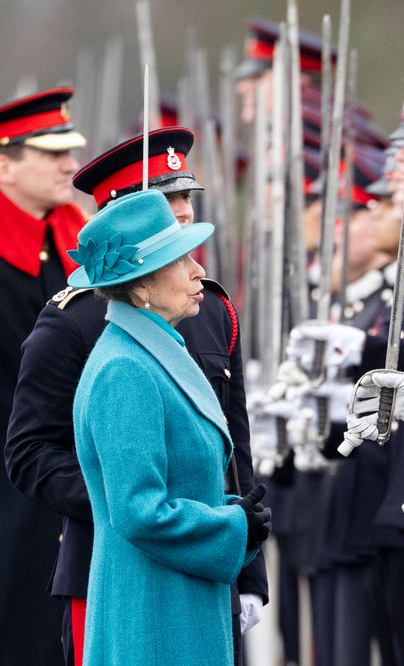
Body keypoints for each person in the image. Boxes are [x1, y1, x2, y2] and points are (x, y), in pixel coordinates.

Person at [5, 127, 268, 666]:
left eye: (186, 198)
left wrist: (247, 568)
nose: (185, 213)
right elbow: (31, 452)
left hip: (209, 560)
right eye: (166, 202)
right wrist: (117, 496)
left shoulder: (212, 309)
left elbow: (233, 454)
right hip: (117, 563)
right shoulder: (75, 321)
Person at [68, 189, 272, 665]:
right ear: (141, 287)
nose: (199, 270)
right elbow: (139, 509)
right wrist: (233, 527)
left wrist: (230, 509)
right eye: (181, 260)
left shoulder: (151, 352)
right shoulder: (126, 369)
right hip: (152, 612)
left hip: (175, 599)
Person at [0, 86, 88, 666]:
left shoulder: (82, 242)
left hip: (68, 468)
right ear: (4, 163)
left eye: (70, 150)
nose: (70, 165)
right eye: (51, 153)